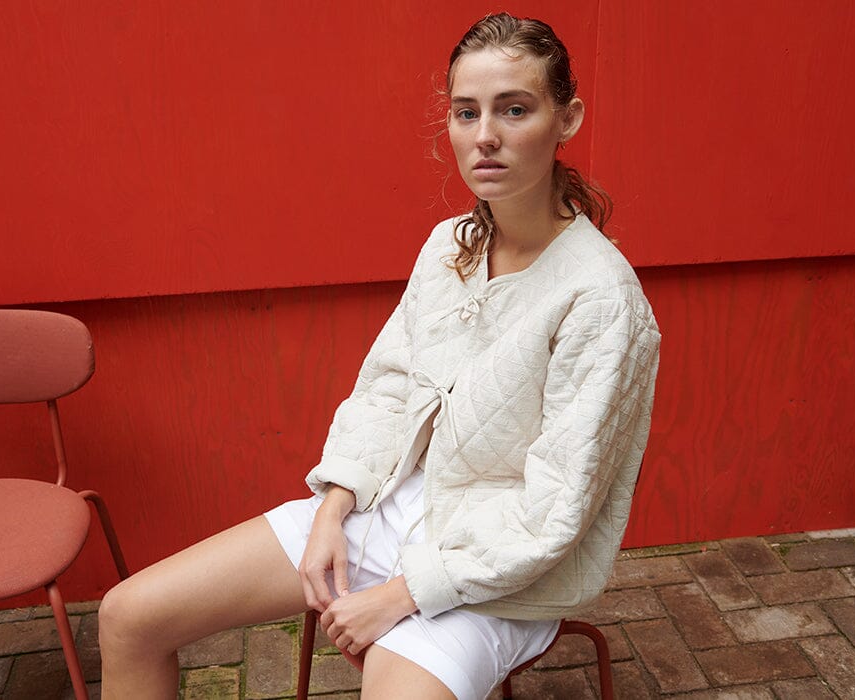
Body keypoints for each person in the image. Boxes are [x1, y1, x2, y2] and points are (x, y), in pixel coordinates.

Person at [98, 12, 659, 700]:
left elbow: (554, 509)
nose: (485, 135)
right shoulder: (450, 245)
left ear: (566, 119)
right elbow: (387, 390)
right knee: (128, 617)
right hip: (385, 508)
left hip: (492, 571)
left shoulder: (601, 298)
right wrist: (333, 508)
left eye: (514, 109)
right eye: (466, 112)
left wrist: (399, 595)